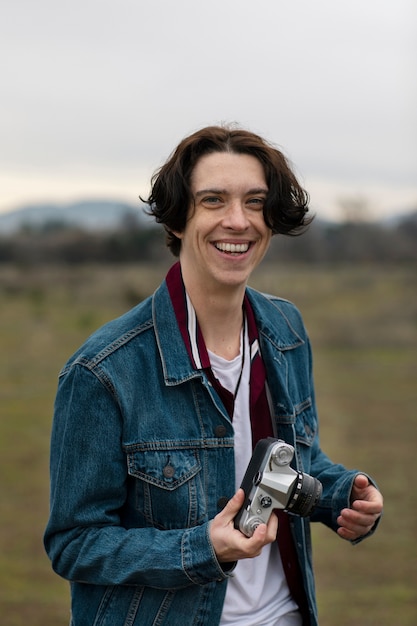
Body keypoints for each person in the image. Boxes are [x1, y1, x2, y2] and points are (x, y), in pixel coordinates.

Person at [44, 125, 383, 626]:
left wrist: (341, 496)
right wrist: (201, 548)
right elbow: (74, 544)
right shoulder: (103, 370)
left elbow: (292, 461)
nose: (237, 221)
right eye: (213, 200)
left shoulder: (286, 329)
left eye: (254, 201)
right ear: (179, 217)